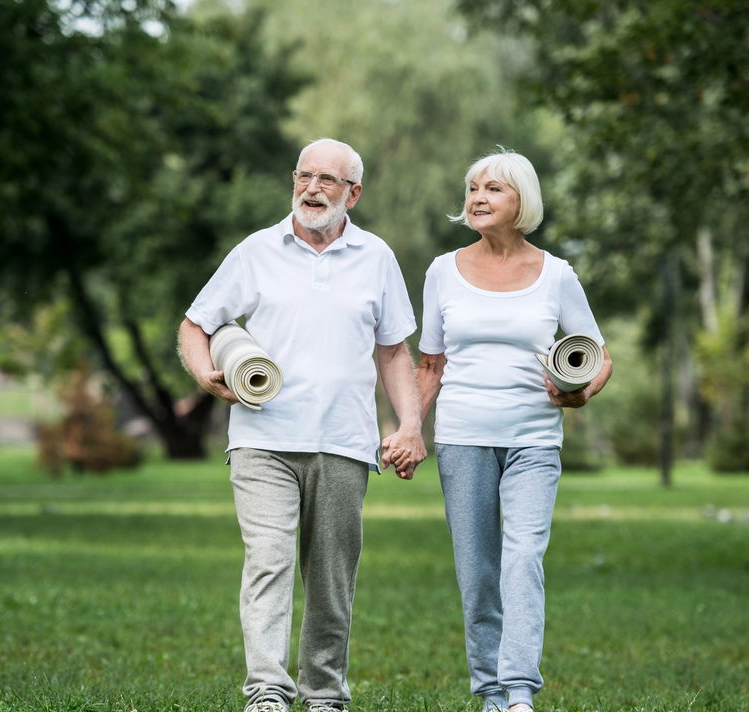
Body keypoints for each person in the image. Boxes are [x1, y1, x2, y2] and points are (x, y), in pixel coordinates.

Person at [177, 138, 427, 712]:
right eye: (304, 176)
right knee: (269, 560)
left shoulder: (377, 258)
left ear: (353, 194)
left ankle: (324, 693)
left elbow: (393, 353)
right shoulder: (255, 251)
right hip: (262, 438)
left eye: (328, 180)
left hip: (344, 440)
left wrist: (410, 425)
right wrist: (204, 373)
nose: (312, 189)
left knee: (331, 578)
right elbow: (196, 324)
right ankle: (267, 691)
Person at [414, 149, 612, 712]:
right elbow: (431, 364)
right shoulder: (441, 271)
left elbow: (598, 357)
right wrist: (410, 428)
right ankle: (490, 693)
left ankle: (519, 691)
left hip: (534, 438)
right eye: (473, 188)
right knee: (477, 572)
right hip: (463, 436)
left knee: (523, 557)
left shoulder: (556, 274)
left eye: (493, 189)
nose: (477, 198)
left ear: (521, 201)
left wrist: (579, 391)